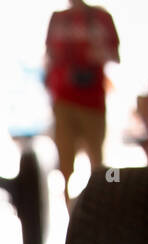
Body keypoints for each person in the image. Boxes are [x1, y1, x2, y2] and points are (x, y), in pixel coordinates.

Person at [45, 0, 120, 204]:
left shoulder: (102, 18)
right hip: (64, 100)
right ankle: (69, 210)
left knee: (99, 162)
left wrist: (97, 54)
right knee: (65, 162)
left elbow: (115, 55)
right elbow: (48, 56)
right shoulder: (58, 19)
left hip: (93, 102)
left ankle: (103, 204)